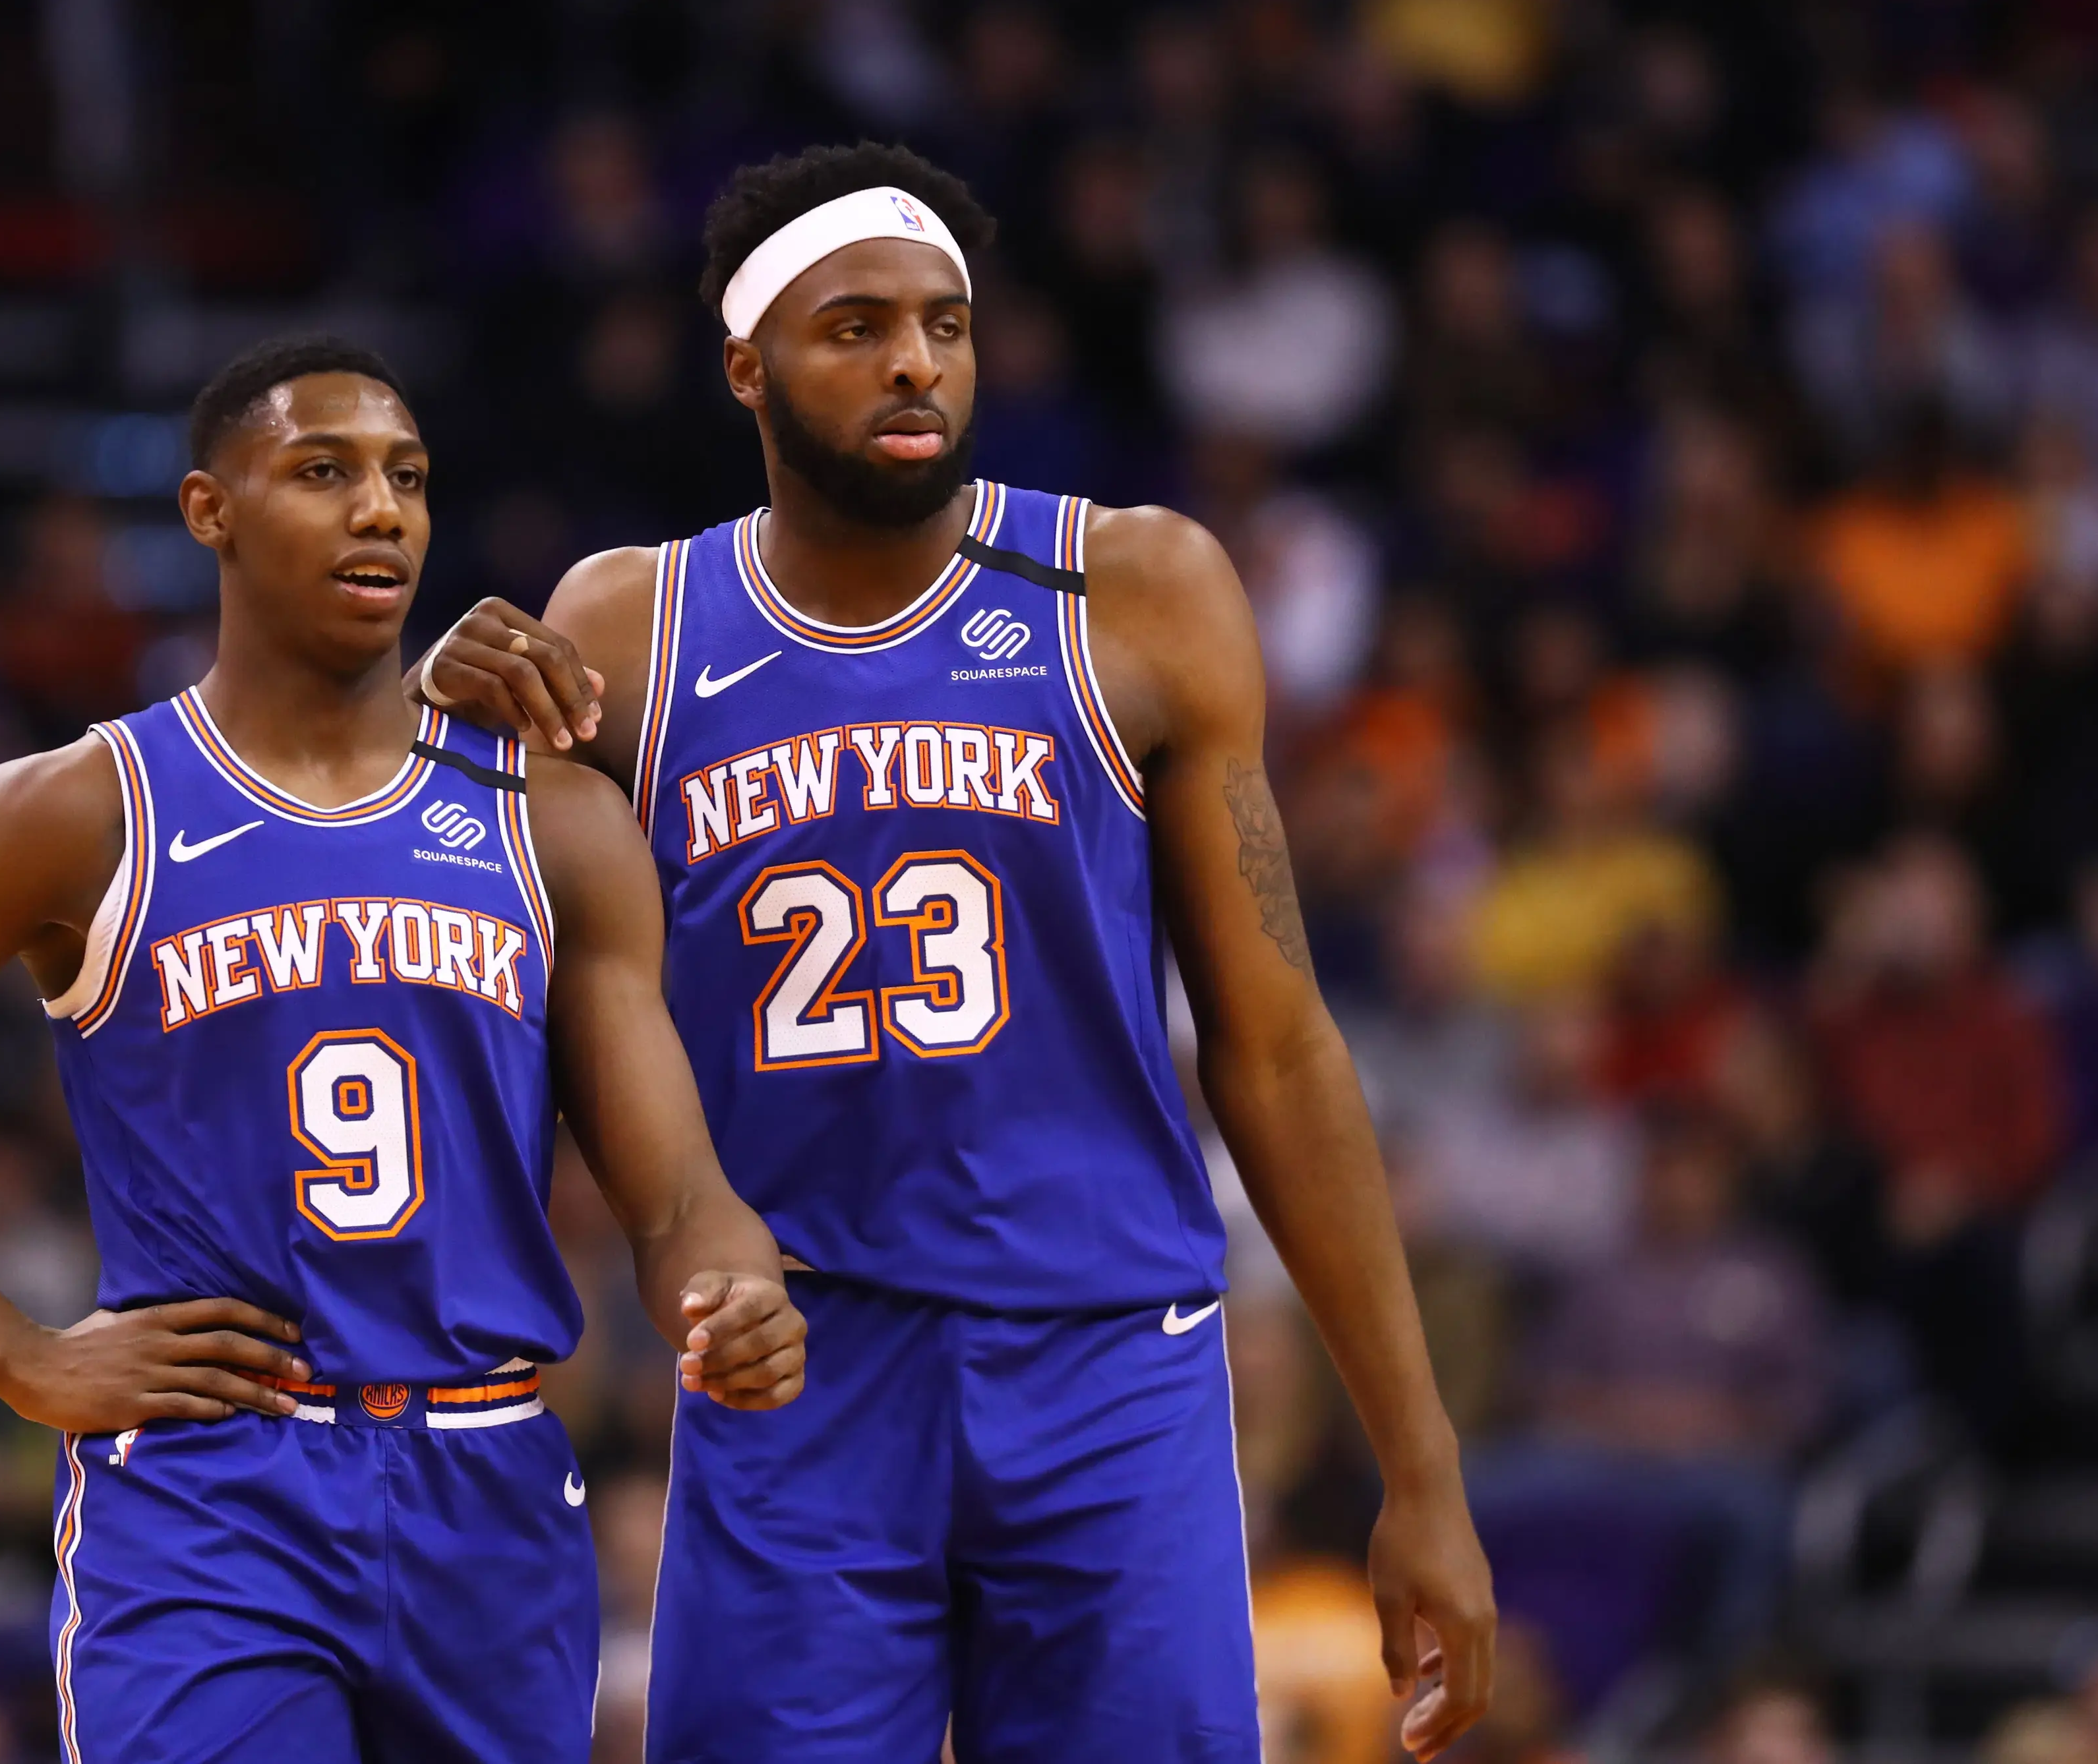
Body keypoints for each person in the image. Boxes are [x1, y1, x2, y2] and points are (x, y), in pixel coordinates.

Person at [421, 142, 1493, 1763]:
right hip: (796, 1360)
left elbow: (1275, 1045)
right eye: (854, 327)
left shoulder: (1133, 585)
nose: (915, 358)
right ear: (747, 366)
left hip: (1109, 1354)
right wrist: (420, 734)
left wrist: (1421, 1465)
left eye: (944, 322)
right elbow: (496, 1009)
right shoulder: (631, 626)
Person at [0, 336, 804, 1764]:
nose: (379, 507)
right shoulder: (77, 807)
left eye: (407, 477)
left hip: (491, 1484)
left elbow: (680, 1195)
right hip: (213, 1491)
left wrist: (732, 1288)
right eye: (323, 472)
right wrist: (8, 1348)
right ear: (208, 511)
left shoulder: (550, 820)